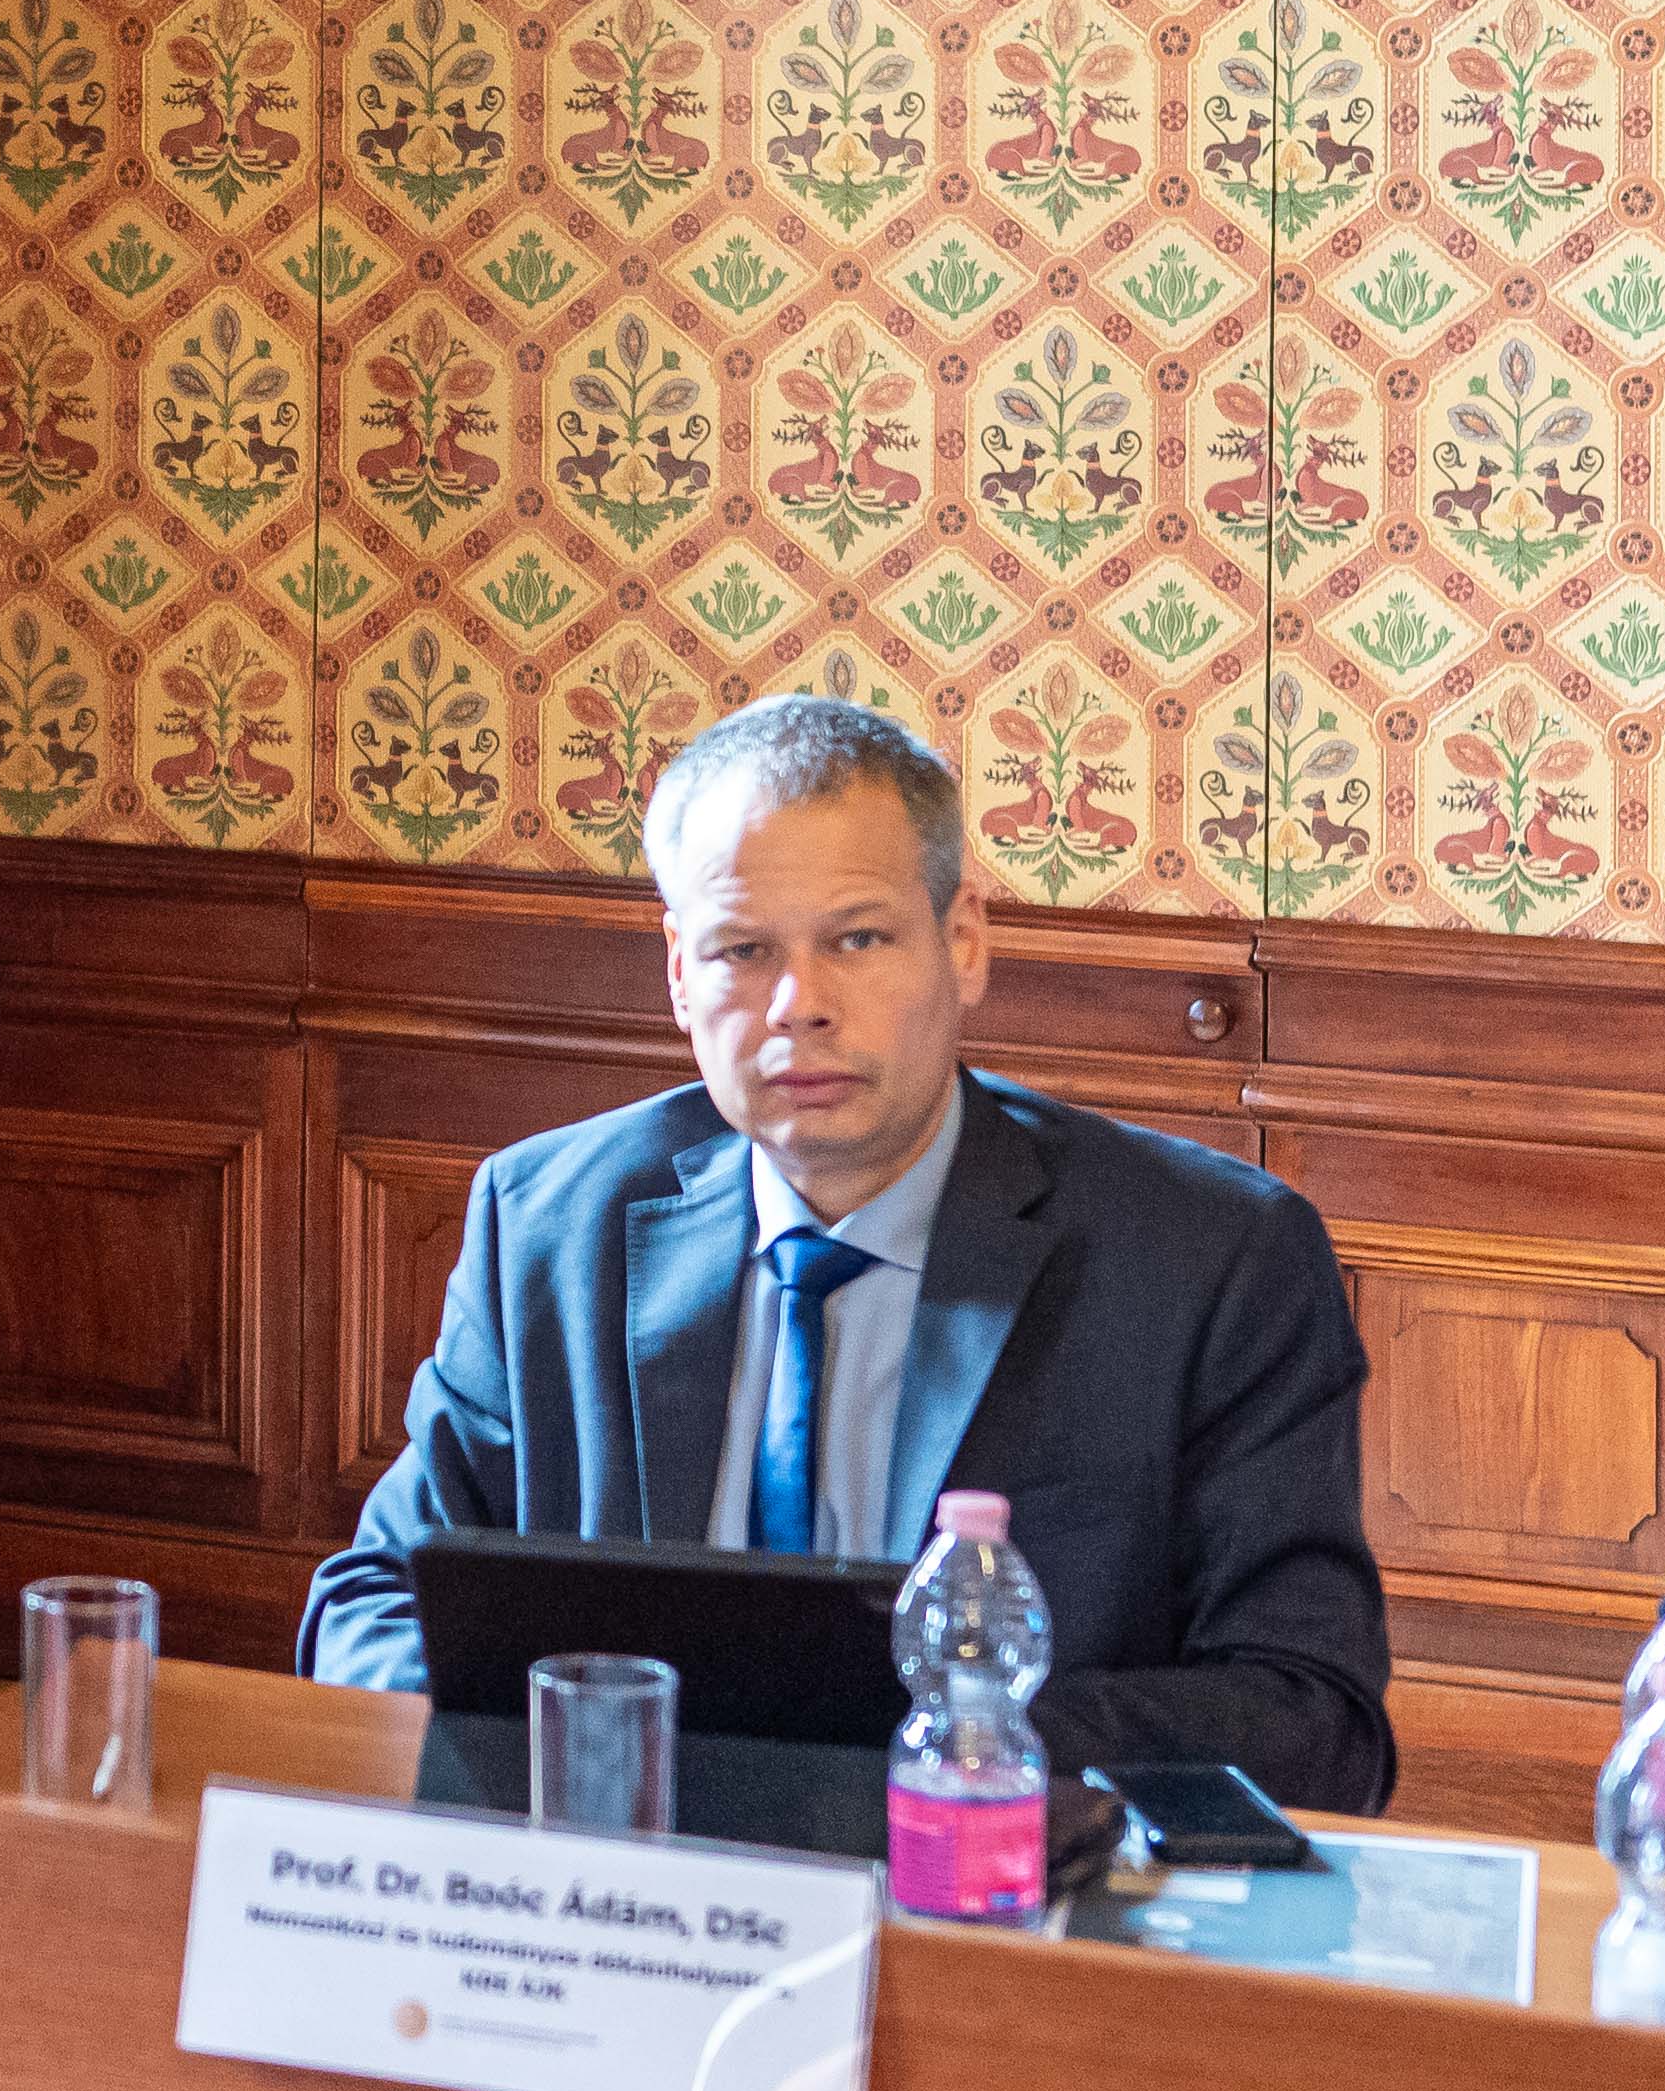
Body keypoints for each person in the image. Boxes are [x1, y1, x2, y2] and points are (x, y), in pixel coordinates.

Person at [301, 695, 1395, 1812]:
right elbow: (367, 1605)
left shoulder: (1211, 1260)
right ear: (678, 972)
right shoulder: (547, 1223)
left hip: (1002, 1884)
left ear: (963, 942)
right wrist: (585, 1740)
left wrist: (923, 1745)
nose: (799, 1006)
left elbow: (1313, 1717)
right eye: (743, 950)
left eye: (857, 939)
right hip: (631, 1876)